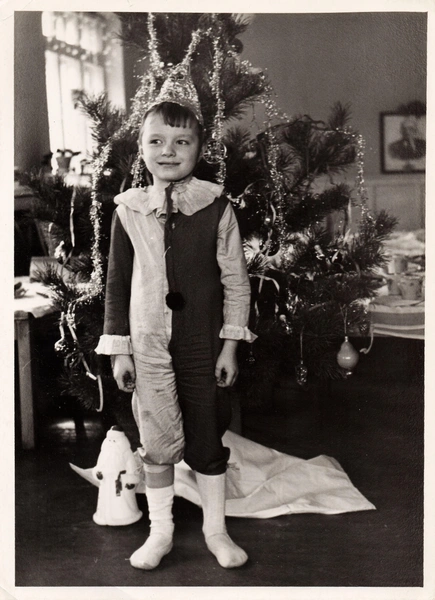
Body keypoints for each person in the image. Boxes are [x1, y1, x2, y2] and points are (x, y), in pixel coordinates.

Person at [95, 69, 256, 571]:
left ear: (199, 148)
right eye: (156, 141)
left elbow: (236, 281)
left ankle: (216, 530)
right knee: (158, 440)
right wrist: (120, 350)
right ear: (141, 148)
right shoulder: (128, 210)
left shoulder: (216, 207)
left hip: (203, 343)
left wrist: (230, 346)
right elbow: (117, 284)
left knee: (207, 437)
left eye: (181, 141)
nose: (168, 151)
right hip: (147, 345)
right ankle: (160, 531)